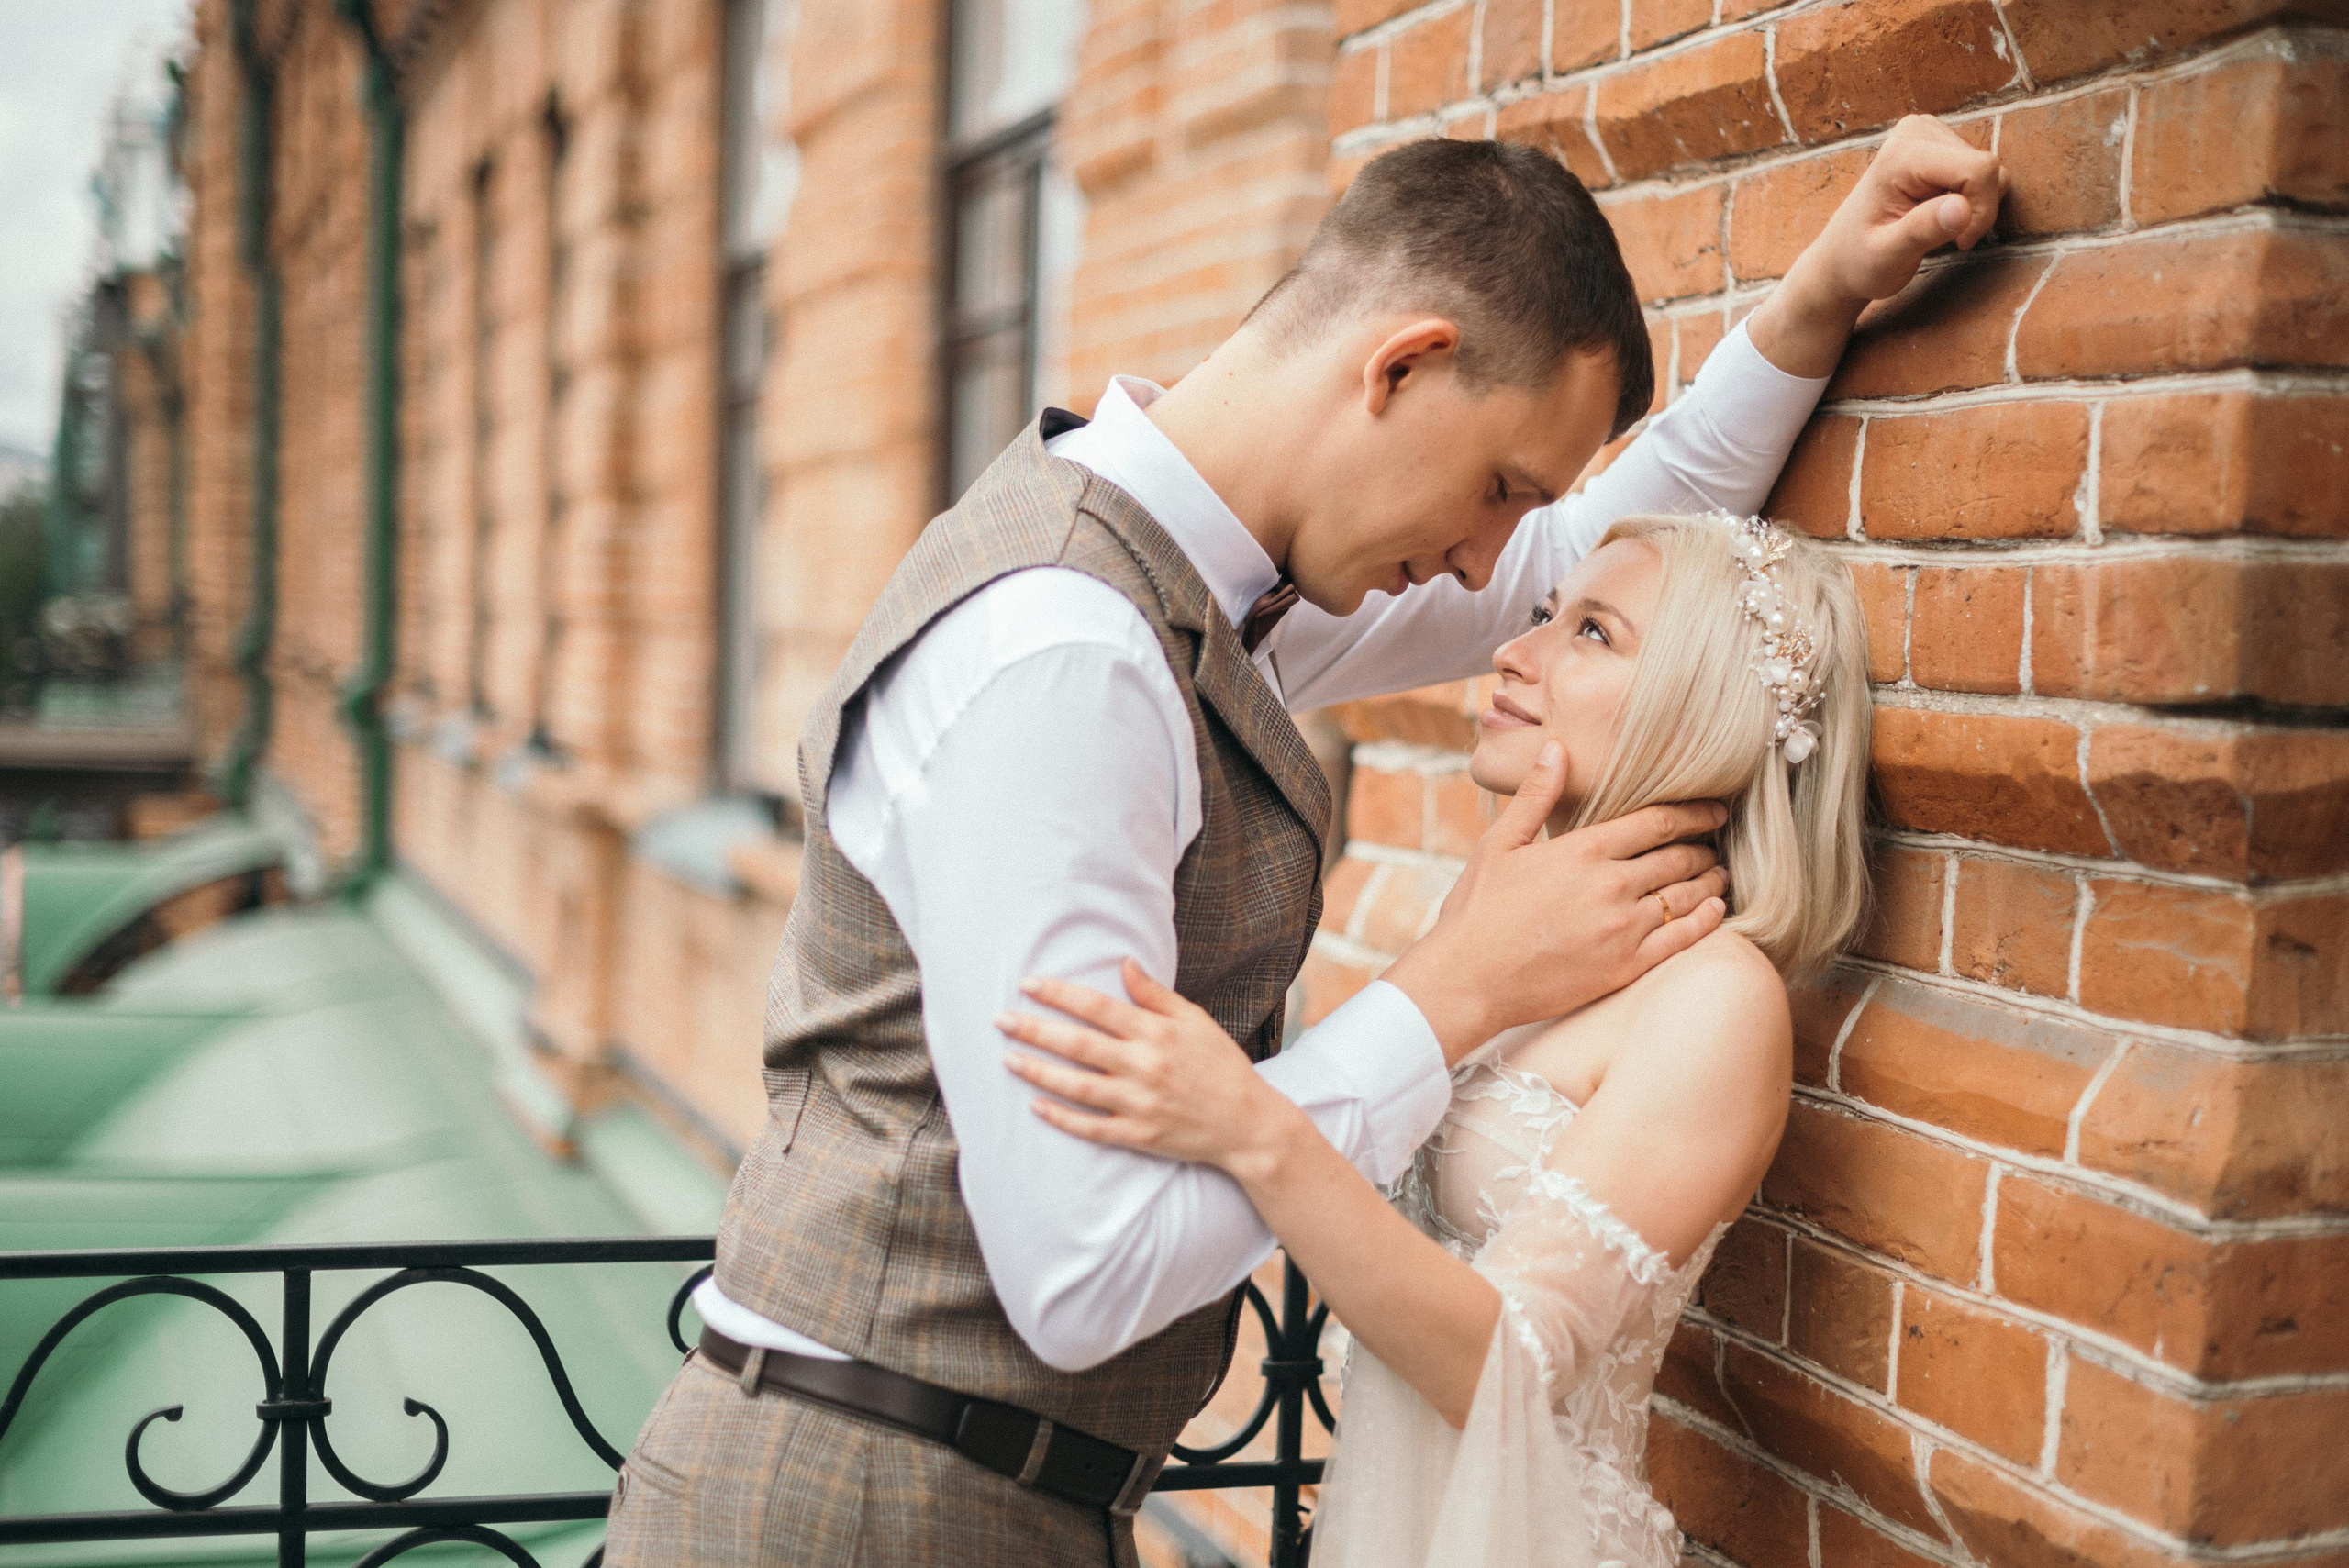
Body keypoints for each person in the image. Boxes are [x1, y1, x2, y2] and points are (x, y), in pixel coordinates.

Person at [604, 116, 2003, 1568]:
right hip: (870, 1506)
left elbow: (1625, 577)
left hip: (979, 1487)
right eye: (1502, 486)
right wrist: (1457, 988)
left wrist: (1816, 301)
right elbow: (1083, 1275)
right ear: (1400, 366)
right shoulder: (1069, 656)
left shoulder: (1214, 593)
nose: (1491, 569)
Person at [998, 510, 1871, 1567]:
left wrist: (1250, 1122)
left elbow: (1503, 1359)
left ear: (1706, 708)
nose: (1514, 648)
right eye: (1548, 612)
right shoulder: (1523, 939)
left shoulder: (1716, 998)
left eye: (1592, 633)